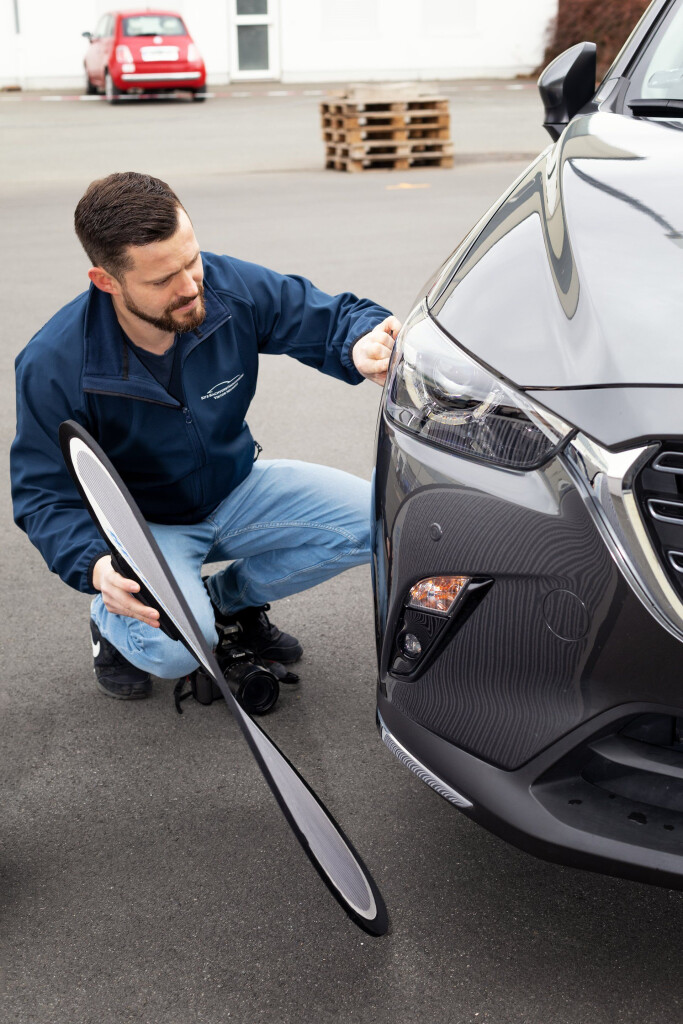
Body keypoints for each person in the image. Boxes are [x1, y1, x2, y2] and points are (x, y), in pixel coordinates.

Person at [11, 171, 400, 700]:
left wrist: (359, 343)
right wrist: (97, 566)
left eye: (191, 259)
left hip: (235, 488)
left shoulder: (224, 286)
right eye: (162, 279)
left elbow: (332, 317)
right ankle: (110, 622)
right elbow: (42, 494)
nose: (191, 286)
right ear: (106, 281)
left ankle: (226, 601)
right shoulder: (55, 364)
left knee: (381, 522)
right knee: (176, 653)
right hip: (149, 531)